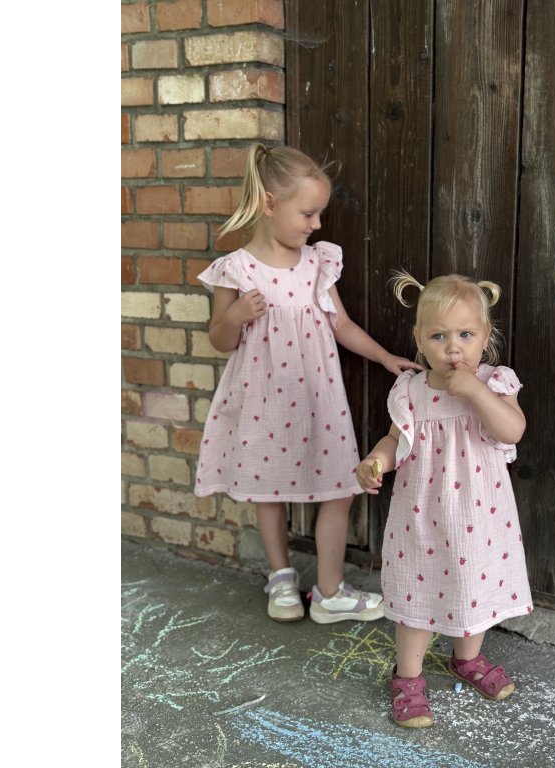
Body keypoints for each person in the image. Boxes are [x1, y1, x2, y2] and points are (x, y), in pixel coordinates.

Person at [194, 143, 422, 625]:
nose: (317, 225)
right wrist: (235, 315)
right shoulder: (236, 269)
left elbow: (341, 324)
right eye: (308, 213)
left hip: (319, 400)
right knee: (268, 490)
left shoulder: (317, 262)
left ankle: (329, 593)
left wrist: (385, 357)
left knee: (340, 487)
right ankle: (281, 579)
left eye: (319, 214)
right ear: (269, 203)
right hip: (263, 401)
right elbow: (220, 340)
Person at [356, 270, 533, 728]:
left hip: (480, 515)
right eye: (439, 336)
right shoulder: (412, 391)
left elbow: (511, 430)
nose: (453, 348)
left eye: (465, 335)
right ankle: (408, 677)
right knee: (417, 592)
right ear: (419, 340)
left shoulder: (495, 383)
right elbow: (395, 440)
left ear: (485, 337)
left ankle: (466, 659)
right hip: (422, 516)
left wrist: (475, 391)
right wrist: (376, 461)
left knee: (473, 583)